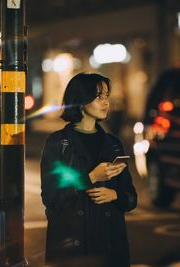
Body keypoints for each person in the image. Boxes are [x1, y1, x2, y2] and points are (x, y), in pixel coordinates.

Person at [40, 73, 137, 267]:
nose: (106, 102)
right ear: (81, 100)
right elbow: (52, 198)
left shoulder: (113, 144)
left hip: (110, 247)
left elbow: (131, 197)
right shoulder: (59, 142)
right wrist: (90, 177)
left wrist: (115, 195)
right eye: (98, 96)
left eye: (107, 96)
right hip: (72, 248)